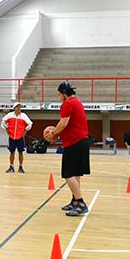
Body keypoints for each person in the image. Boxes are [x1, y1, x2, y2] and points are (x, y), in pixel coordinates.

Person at [44, 82, 90, 216]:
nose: (59, 97)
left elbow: (63, 123)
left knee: (68, 174)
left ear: (64, 94)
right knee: (75, 174)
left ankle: (80, 202)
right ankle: (75, 201)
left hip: (74, 142)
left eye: (59, 95)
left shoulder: (67, 104)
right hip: (81, 141)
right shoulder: (77, 102)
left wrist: (52, 133)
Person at [1, 102, 33, 173]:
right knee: (12, 152)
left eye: (19, 107)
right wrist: (6, 129)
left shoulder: (24, 116)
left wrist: (25, 132)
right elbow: (3, 122)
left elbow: (30, 124)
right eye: (17, 107)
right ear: (14, 108)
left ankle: (20, 167)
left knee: (20, 152)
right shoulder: (9, 115)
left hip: (20, 138)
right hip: (11, 137)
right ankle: (11, 167)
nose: (19, 108)